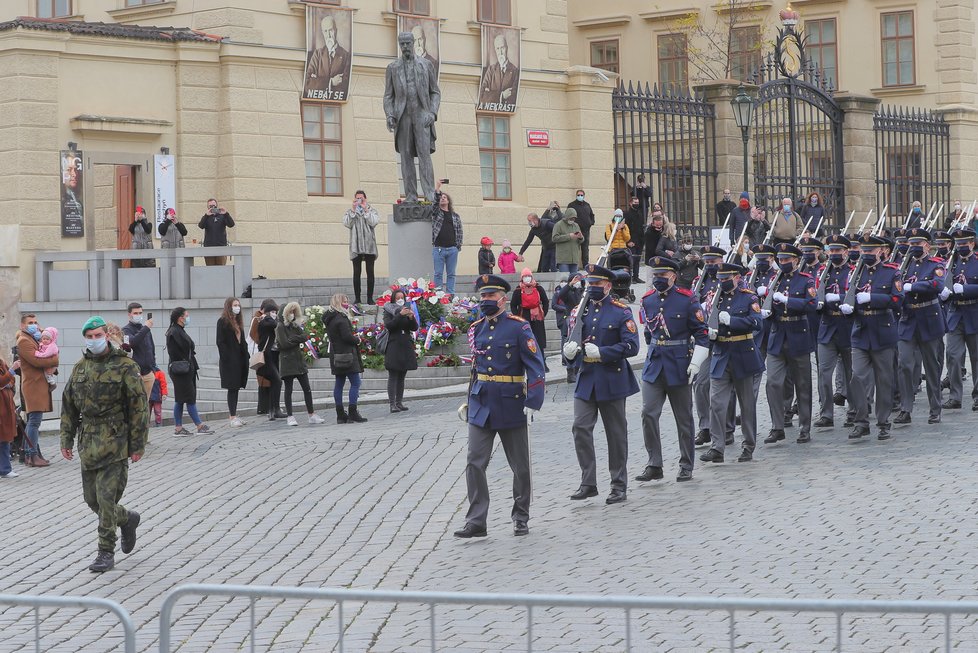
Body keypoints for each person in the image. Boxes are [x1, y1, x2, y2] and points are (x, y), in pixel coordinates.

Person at [453, 274, 545, 538]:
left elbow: (536, 367)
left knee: (520, 466)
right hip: (482, 402)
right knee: (474, 461)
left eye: (491, 296)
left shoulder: (519, 327)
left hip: (511, 401)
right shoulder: (477, 328)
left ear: (503, 299)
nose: (485, 301)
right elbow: (475, 367)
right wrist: (470, 400)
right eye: (482, 296)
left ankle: (520, 516)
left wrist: (533, 401)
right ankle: (476, 521)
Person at [59, 315, 147, 573]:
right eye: (90, 336)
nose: (94, 340)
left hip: (115, 440)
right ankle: (127, 519)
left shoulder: (125, 366)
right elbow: (68, 406)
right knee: (92, 500)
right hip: (88, 443)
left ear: (107, 336)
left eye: (98, 335)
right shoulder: (80, 368)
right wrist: (66, 438)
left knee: (106, 499)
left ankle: (105, 551)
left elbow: (139, 407)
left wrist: (137, 444)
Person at [562, 264, 640, 505]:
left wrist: (604, 352)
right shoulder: (581, 311)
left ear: (608, 285)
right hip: (587, 378)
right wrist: (568, 353)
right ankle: (588, 482)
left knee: (616, 434)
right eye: (590, 284)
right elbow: (571, 340)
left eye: (597, 284)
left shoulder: (620, 311)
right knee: (580, 428)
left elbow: (632, 346)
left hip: (611, 377)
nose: (592, 288)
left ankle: (618, 484)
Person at [638, 256, 710, 483]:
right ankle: (654, 464)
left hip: (679, 364)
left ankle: (686, 464)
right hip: (655, 364)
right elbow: (649, 333)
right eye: (655, 275)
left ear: (673, 276)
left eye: (662, 275)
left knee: (684, 418)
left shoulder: (687, 300)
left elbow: (702, 333)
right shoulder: (648, 300)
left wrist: (696, 362)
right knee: (648, 413)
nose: (658, 279)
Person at [699, 263, 764, 464]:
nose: (722, 282)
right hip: (720, 354)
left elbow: (757, 323)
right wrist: (708, 333)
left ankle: (748, 444)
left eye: (727, 278)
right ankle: (717, 447)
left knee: (746, 404)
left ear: (737, 277)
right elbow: (706, 320)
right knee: (717, 404)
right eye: (720, 278)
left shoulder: (748, 297)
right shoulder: (714, 298)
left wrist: (733, 321)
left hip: (742, 353)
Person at [840, 234, 902, 441]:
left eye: (870, 251)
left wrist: (872, 298)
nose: (865, 254)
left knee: (884, 379)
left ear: (880, 251)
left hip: (882, 330)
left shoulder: (891, 272)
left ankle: (883, 422)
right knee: (857, 376)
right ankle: (861, 421)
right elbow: (848, 296)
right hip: (861, 331)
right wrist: (848, 307)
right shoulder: (855, 273)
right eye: (863, 250)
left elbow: (897, 299)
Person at [761, 244, 816, 446]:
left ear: (796, 260)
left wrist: (788, 300)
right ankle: (777, 426)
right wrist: (766, 311)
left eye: (786, 260)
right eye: (780, 260)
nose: (783, 263)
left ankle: (804, 427)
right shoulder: (775, 279)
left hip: (798, 334)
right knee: (773, 383)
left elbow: (811, 304)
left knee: (803, 385)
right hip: (777, 336)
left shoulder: (805, 280)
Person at [894, 228, 946, 426]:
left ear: (926, 245)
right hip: (908, 319)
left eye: (918, 244)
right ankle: (906, 408)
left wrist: (912, 287)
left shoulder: (936, 264)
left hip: (929, 317)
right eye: (911, 244)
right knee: (904, 364)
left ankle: (935, 408)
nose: (914, 248)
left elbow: (937, 285)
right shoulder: (903, 266)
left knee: (932, 366)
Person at [384, 31, 441, 203]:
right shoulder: (393, 68)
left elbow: (435, 92)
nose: (405, 47)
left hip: (422, 114)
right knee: (405, 157)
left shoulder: (426, 65)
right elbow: (388, 96)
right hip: (403, 117)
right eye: (402, 44)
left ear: (413, 43)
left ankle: (429, 193)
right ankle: (410, 196)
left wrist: (432, 112)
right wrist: (390, 114)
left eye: (408, 43)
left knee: (424, 155)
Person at [814, 235, 855, 429]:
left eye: (838, 251)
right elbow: (813, 294)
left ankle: (854, 410)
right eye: (831, 251)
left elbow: (855, 293)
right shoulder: (823, 272)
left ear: (846, 252)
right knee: (824, 372)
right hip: (827, 325)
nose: (834, 254)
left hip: (846, 326)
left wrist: (838, 297)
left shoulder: (853, 271)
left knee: (850, 373)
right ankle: (826, 413)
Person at [16, 313, 55, 467]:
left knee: (34, 421)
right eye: (30, 322)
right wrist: (55, 359)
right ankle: (31, 455)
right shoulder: (24, 341)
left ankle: (27, 454)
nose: (34, 324)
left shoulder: (33, 338)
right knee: (34, 422)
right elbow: (37, 361)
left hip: (37, 384)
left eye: (36, 322)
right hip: (33, 386)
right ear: (22, 325)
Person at [165, 307, 212, 436]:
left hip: (185, 368)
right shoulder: (174, 332)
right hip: (181, 370)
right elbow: (177, 352)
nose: (188, 317)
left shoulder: (178, 330)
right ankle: (199, 425)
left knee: (180, 399)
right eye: (186, 315)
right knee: (189, 398)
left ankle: (178, 428)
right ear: (180, 317)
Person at [276, 302, 325, 426]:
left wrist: (294, 339)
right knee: (289, 390)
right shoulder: (280, 327)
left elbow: (304, 336)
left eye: (294, 312)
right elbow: (284, 344)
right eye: (290, 312)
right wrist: (295, 340)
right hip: (288, 362)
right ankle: (290, 416)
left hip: (298, 361)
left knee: (307, 388)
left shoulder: (294, 325)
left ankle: (311, 414)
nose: (292, 314)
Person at [945, 228, 978, 410]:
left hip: (974, 312)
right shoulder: (952, 262)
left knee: (976, 357)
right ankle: (955, 396)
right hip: (956, 314)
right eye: (958, 244)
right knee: (953, 356)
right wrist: (944, 292)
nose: (961, 247)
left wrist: (965, 290)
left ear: (972, 244)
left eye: (964, 244)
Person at [323, 293, 368, 424]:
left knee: (339, 383)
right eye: (344, 301)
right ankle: (353, 411)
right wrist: (357, 339)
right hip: (347, 354)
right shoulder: (341, 319)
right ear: (338, 303)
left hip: (336, 354)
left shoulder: (330, 318)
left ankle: (340, 414)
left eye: (347, 301)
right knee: (355, 382)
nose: (347, 303)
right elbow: (347, 336)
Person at [383, 288, 419, 412]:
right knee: (393, 374)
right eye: (397, 298)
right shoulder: (388, 310)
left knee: (402, 375)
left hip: (405, 344)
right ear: (393, 299)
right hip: (394, 344)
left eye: (401, 298)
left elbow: (414, 328)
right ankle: (392, 404)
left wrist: (411, 317)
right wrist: (399, 315)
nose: (399, 300)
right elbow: (390, 326)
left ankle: (399, 402)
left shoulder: (406, 309)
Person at [216, 297, 249, 428]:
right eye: (235, 305)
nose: (237, 307)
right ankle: (232, 416)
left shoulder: (238, 322)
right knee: (232, 388)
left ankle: (234, 415)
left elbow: (242, 341)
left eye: (238, 305)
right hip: (230, 361)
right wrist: (227, 358)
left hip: (239, 359)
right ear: (229, 307)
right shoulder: (223, 322)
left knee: (236, 387)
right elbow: (220, 342)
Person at [343, 190, 381, 305]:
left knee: (370, 271)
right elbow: (347, 224)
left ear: (365, 199)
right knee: (356, 272)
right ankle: (357, 298)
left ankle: (370, 298)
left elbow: (374, 222)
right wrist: (354, 210)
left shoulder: (371, 210)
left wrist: (365, 210)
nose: (359, 201)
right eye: (357, 199)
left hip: (369, 246)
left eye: (361, 198)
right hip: (356, 246)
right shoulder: (351, 212)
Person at [304, 15, 351, 100]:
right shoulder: (317, 54)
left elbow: (344, 86)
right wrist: (331, 82)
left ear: (336, 31)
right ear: (322, 33)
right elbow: (308, 84)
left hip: (336, 103)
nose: (328, 35)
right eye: (325, 31)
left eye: (330, 30)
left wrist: (318, 81)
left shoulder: (345, 56)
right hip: (317, 103)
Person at [256, 300, 287, 421]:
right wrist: (269, 317)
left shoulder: (269, 320)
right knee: (277, 381)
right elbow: (273, 325)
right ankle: (274, 409)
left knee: (275, 382)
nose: (275, 314)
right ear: (268, 312)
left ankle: (273, 410)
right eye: (273, 312)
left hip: (274, 355)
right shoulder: (264, 321)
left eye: (276, 312)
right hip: (266, 357)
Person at [430, 179, 463, 295]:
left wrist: (457, 246)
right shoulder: (437, 214)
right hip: (438, 249)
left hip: (452, 249)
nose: (443, 198)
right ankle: (438, 295)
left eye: (445, 197)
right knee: (438, 273)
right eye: (441, 197)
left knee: (451, 274)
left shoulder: (455, 216)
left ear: (448, 201)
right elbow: (434, 205)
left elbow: (459, 232)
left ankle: (450, 295)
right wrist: (438, 190)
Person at [510, 267, 550, 361]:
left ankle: (542, 361)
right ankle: (527, 360)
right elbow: (513, 305)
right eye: (525, 276)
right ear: (521, 278)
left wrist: (543, 313)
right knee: (525, 339)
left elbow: (545, 301)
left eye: (529, 276)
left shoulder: (538, 288)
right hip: (524, 317)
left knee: (539, 340)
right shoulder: (518, 290)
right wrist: (517, 317)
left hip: (537, 318)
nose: (527, 278)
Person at [122, 302, 157, 401]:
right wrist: (146, 328)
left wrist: (153, 368)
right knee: (136, 404)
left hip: (149, 373)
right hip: (136, 374)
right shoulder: (126, 330)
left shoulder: (145, 329)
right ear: (129, 314)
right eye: (135, 313)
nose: (138, 315)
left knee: (146, 404)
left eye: (140, 313)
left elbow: (151, 348)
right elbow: (132, 342)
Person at [553, 272, 584, 383]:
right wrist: (570, 285)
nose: (578, 281)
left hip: (582, 321)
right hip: (571, 321)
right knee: (572, 347)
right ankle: (570, 370)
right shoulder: (568, 292)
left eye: (579, 279)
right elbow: (561, 295)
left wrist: (583, 283)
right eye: (576, 279)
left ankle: (577, 370)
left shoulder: (582, 291)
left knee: (581, 347)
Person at [478, 34, 520, 110]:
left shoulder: (515, 71)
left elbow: (513, 98)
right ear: (495, 50)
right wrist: (502, 96)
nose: (500, 52)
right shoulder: (491, 70)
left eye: (502, 48)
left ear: (507, 48)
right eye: (497, 49)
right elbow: (482, 96)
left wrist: (490, 94)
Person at [198, 198, 235, 266]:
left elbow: (231, 224)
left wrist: (226, 214)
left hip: (221, 247)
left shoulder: (222, 216)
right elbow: (201, 226)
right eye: (210, 206)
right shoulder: (206, 217)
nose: (213, 208)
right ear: (208, 207)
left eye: (214, 206)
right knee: (210, 269)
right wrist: (206, 215)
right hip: (209, 248)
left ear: (217, 206)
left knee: (221, 268)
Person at [249, 309, 272, 415]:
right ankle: (263, 408)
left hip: (265, 353)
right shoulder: (257, 318)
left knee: (268, 382)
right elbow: (253, 333)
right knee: (263, 381)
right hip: (260, 353)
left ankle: (266, 407)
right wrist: (261, 342)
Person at [520, 209, 557, 273]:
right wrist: (521, 253)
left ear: (535, 220)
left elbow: (557, 229)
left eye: (529, 221)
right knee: (544, 267)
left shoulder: (547, 223)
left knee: (553, 266)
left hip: (555, 247)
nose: (529, 222)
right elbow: (528, 241)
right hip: (546, 248)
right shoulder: (533, 230)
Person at [551, 207, 584, 276]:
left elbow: (581, 241)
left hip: (574, 258)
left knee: (574, 281)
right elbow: (554, 238)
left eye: (574, 218)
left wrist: (581, 237)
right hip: (563, 259)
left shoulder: (576, 225)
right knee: (565, 279)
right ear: (567, 217)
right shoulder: (558, 225)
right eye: (571, 218)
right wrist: (569, 236)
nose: (573, 220)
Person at [0, 353, 18, 478]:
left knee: (5, 438)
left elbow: (11, 380)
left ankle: (5, 469)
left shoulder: (2, 362)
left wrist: (8, 382)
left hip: (6, 404)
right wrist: (12, 370)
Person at [567, 190, 595, 266]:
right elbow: (568, 216)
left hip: (586, 230)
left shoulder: (587, 205)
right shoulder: (571, 205)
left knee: (585, 248)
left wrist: (591, 222)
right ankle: (574, 264)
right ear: (576, 196)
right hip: (575, 229)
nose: (580, 196)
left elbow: (592, 215)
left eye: (581, 195)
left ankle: (585, 264)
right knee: (575, 247)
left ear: (584, 196)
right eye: (578, 195)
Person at [623, 195, 645, 282]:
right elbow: (625, 229)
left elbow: (641, 227)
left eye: (638, 203)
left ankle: (636, 277)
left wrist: (643, 240)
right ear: (630, 203)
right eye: (635, 203)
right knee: (630, 260)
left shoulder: (639, 213)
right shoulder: (627, 214)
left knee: (637, 260)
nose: (637, 204)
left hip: (639, 241)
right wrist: (628, 241)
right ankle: (629, 277)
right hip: (631, 241)